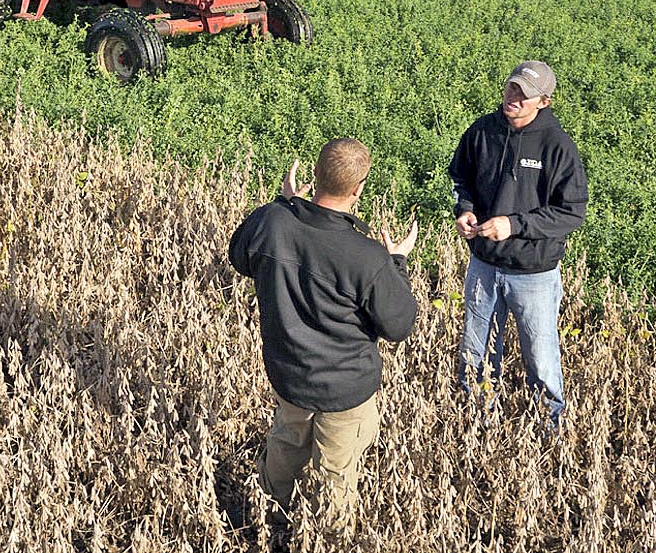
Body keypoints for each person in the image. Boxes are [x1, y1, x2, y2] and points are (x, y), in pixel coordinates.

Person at [228, 138, 418, 525]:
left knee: (286, 442)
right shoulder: (367, 257)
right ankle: (328, 535)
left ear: (314, 176)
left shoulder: (271, 222)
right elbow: (399, 325)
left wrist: (285, 204)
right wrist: (396, 262)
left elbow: (240, 258)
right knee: (336, 471)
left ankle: (266, 518)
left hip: (289, 375)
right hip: (344, 390)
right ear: (358, 188)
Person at [449, 60, 587, 423]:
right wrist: (465, 210)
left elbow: (571, 213)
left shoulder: (558, 148)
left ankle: (549, 428)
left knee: (541, 358)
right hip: (484, 265)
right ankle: (476, 419)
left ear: (543, 102)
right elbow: (460, 178)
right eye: (512, 88)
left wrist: (514, 225)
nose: (514, 98)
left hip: (534, 273)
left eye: (524, 95)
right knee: (476, 352)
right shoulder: (482, 132)